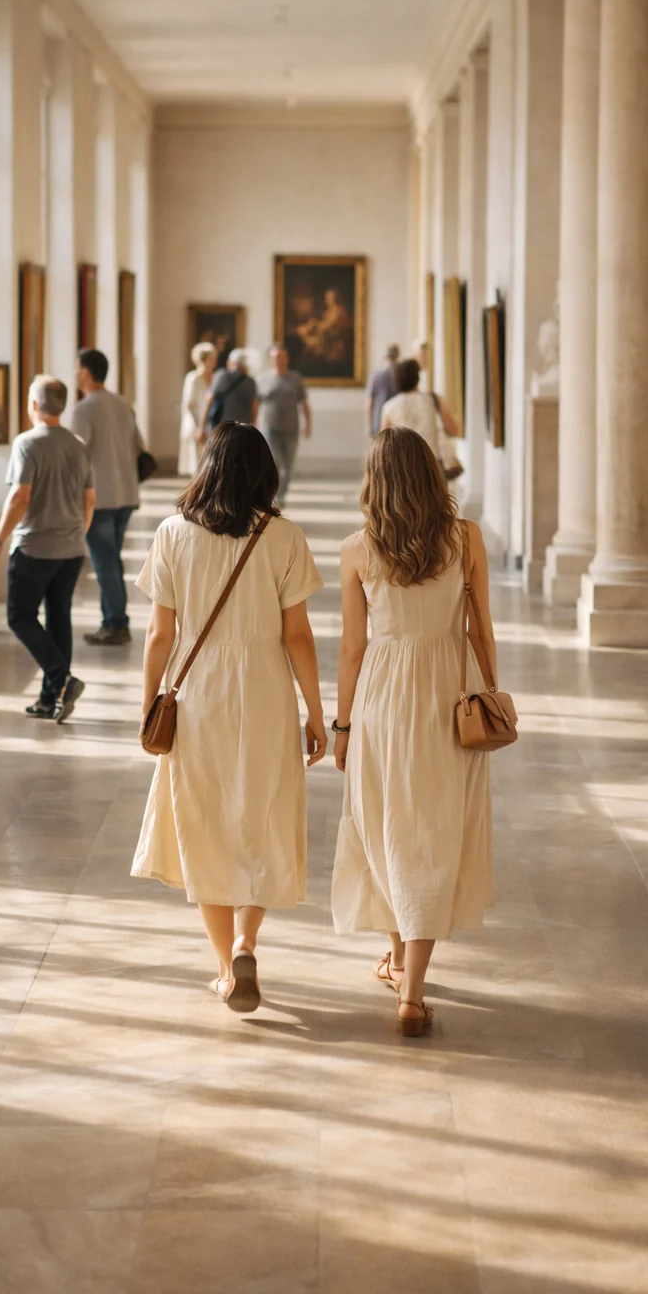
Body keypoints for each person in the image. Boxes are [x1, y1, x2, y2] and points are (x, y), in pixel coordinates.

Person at [134, 422, 327, 1012]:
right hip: (266, 690)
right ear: (265, 472)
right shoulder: (285, 537)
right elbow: (298, 635)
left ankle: (226, 967)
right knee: (263, 817)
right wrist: (318, 714)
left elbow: (160, 633)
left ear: (207, 466)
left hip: (198, 695)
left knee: (204, 824)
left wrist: (149, 703)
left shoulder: (172, 534)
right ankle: (246, 940)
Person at [330, 427, 495, 1036]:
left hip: (382, 693)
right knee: (434, 829)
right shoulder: (464, 537)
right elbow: (481, 629)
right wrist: (491, 695)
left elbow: (352, 650)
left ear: (374, 481)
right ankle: (411, 986)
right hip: (450, 694)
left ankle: (400, 960)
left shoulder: (357, 550)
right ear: (430, 475)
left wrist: (342, 725)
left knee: (386, 824)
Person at [0, 375, 94, 722]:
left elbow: (20, 497)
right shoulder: (77, 445)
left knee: (20, 616)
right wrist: (78, 533)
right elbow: (89, 499)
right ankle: (51, 699)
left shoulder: (27, 443)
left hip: (34, 547)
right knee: (59, 616)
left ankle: (62, 680)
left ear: (33, 405)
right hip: (71, 548)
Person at [70, 348, 145, 646]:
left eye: (77, 369)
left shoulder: (84, 409)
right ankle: (114, 620)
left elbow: (76, 456)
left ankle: (115, 623)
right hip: (126, 493)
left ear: (87, 372)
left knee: (104, 562)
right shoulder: (122, 405)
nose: (75, 374)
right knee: (112, 558)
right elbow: (139, 445)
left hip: (99, 497)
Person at [256, 344, 311, 506]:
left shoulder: (295, 379)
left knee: (287, 466)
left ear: (286, 358)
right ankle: (273, 495)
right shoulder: (262, 379)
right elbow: (255, 404)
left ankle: (281, 494)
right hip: (269, 429)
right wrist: (252, 425)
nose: (278, 360)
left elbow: (305, 403)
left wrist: (308, 425)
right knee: (274, 463)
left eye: (281, 357)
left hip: (291, 429)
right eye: (275, 357)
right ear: (271, 360)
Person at [380, 358, 440, 447]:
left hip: (404, 458)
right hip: (431, 457)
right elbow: (453, 430)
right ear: (417, 378)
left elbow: (383, 442)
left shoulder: (389, 406)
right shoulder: (432, 399)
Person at [178, 342, 217, 476]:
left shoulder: (215, 378)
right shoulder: (193, 378)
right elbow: (189, 405)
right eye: (211, 358)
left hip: (210, 425)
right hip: (195, 426)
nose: (214, 361)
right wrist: (197, 428)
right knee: (197, 466)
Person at [202, 347, 257, 432]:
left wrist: (201, 427)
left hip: (221, 428)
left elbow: (209, 400)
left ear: (230, 362)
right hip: (243, 430)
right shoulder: (250, 382)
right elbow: (254, 407)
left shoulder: (221, 376)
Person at [365, 344, 400, 438]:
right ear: (397, 356)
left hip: (379, 421)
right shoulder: (400, 375)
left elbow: (370, 403)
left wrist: (369, 426)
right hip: (397, 421)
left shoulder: (375, 375)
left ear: (385, 356)